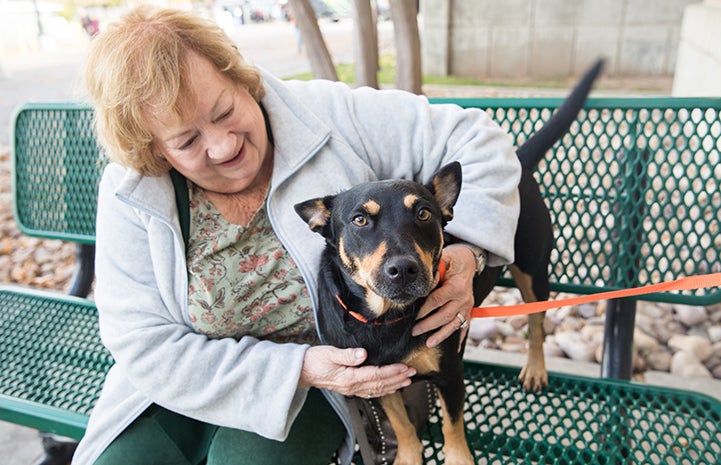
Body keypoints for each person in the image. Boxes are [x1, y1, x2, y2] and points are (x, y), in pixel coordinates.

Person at [73, 5, 521, 465]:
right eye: (187, 141)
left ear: (244, 81)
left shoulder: (327, 114)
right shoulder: (132, 192)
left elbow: (477, 138)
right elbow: (143, 343)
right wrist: (296, 370)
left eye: (226, 110)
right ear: (155, 151)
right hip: (183, 382)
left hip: (333, 381)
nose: (224, 145)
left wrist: (466, 251)